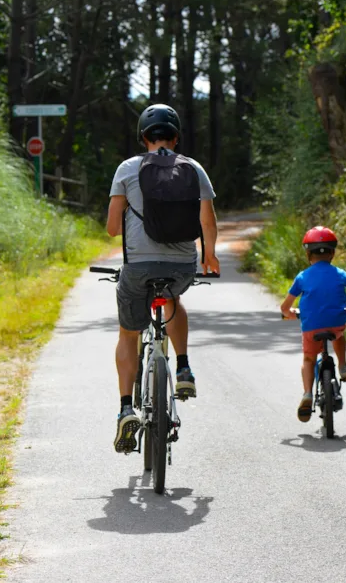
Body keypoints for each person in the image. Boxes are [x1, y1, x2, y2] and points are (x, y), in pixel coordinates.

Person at [106, 103, 220, 453]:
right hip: (182, 266)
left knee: (128, 332)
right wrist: (209, 256)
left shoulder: (127, 168)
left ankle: (126, 408)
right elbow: (208, 220)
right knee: (173, 298)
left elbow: (112, 229)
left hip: (138, 267)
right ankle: (183, 369)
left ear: (143, 137)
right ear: (176, 136)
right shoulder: (193, 168)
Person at [280, 226, 346, 422]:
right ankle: (343, 367)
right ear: (333, 252)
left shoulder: (302, 276)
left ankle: (307, 394)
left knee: (308, 359)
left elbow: (285, 307)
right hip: (336, 323)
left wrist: (290, 314)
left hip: (311, 327)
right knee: (339, 334)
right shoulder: (339, 273)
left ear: (307, 254)